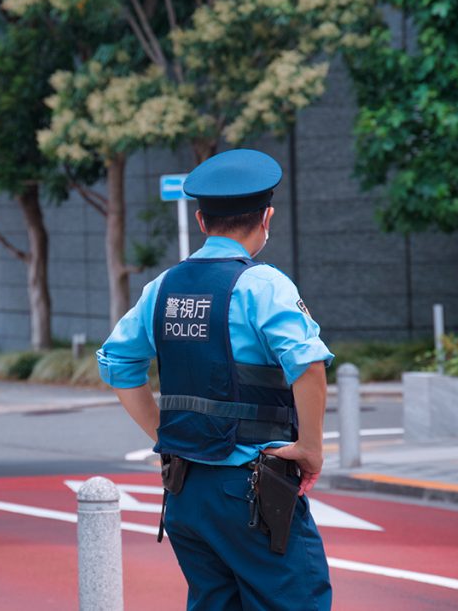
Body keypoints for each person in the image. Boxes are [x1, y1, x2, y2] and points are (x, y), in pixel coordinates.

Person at [97, 148, 333, 611]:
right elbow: (307, 365)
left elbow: (117, 363)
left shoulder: (163, 287)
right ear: (267, 218)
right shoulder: (264, 285)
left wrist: (167, 435)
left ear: (202, 222)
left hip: (186, 491)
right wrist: (310, 448)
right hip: (251, 491)